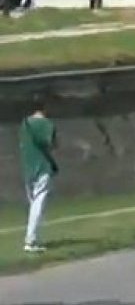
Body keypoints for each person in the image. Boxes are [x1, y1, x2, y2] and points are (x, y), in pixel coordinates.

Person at [19, 100, 57, 253]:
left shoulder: (24, 124)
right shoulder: (47, 124)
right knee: (38, 204)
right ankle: (31, 240)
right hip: (42, 167)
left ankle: (33, 237)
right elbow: (51, 144)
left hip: (27, 167)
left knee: (33, 203)